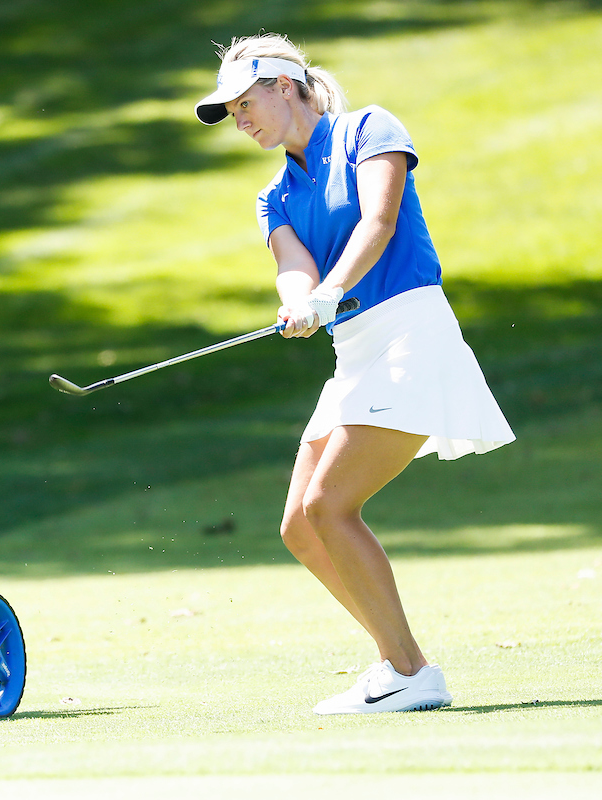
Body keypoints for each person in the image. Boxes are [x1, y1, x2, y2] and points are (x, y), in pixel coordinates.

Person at [193, 34, 515, 714]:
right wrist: (297, 301)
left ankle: (409, 671)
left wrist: (327, 293)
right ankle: (400, 667)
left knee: (328, 506)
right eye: (230, 111)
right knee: (300, 528)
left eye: (245, 103)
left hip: (410, 332)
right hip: (355, 350)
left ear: (285, 86)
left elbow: (379, 219)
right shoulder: (273, 193)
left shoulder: (370, 128)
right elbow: (292, 265)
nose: (240, 119)